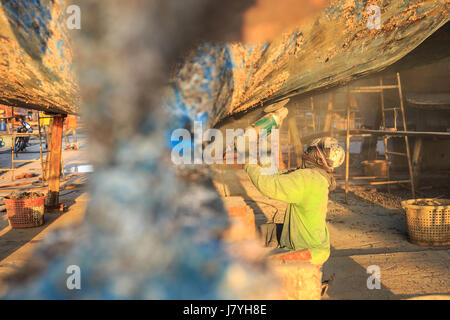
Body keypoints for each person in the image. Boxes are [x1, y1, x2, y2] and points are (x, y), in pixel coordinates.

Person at [244, 137, 345, 266]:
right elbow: (272, 176)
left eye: (310, 150)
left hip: (304, 251)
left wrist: (247, 158)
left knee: (253, 262)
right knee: (258, 233)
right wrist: (267, 139)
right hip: (315, 247)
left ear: (319, 159)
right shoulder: (315, 176)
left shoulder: (308, 179)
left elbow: (268, 185)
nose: (305, 153)